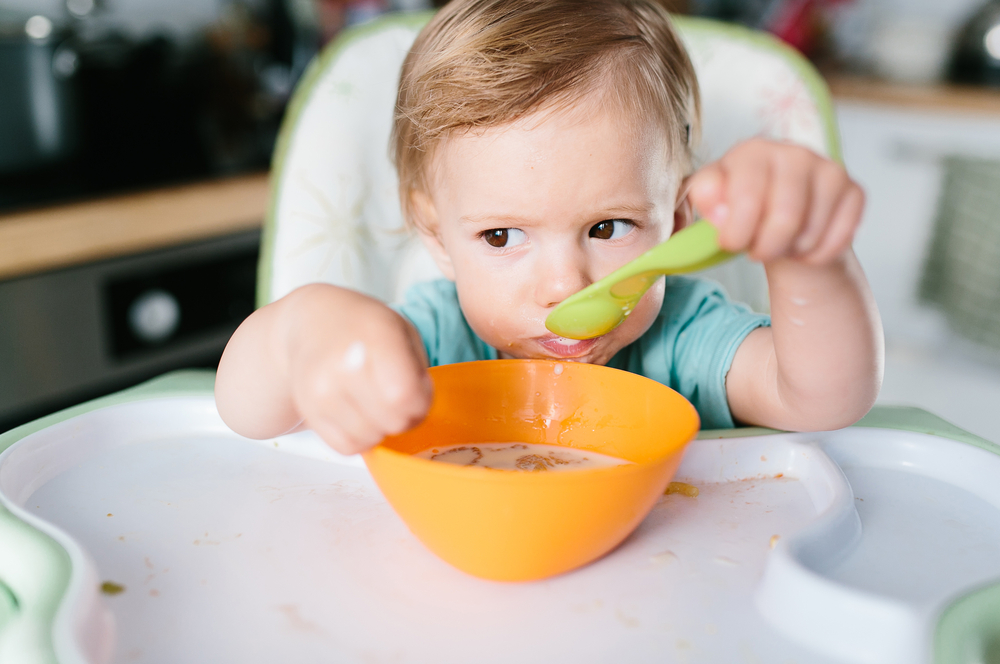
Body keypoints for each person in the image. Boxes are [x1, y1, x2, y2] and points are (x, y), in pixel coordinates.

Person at [215, 0, 884, 454]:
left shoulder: (682, 338)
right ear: (435, 235)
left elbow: (824, 397)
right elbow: (246, 412)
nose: (564, 283)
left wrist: (808, 256)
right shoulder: (430, 344)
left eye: (608, 226)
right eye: (502, 237)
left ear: (677, 220)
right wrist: (303, 333)